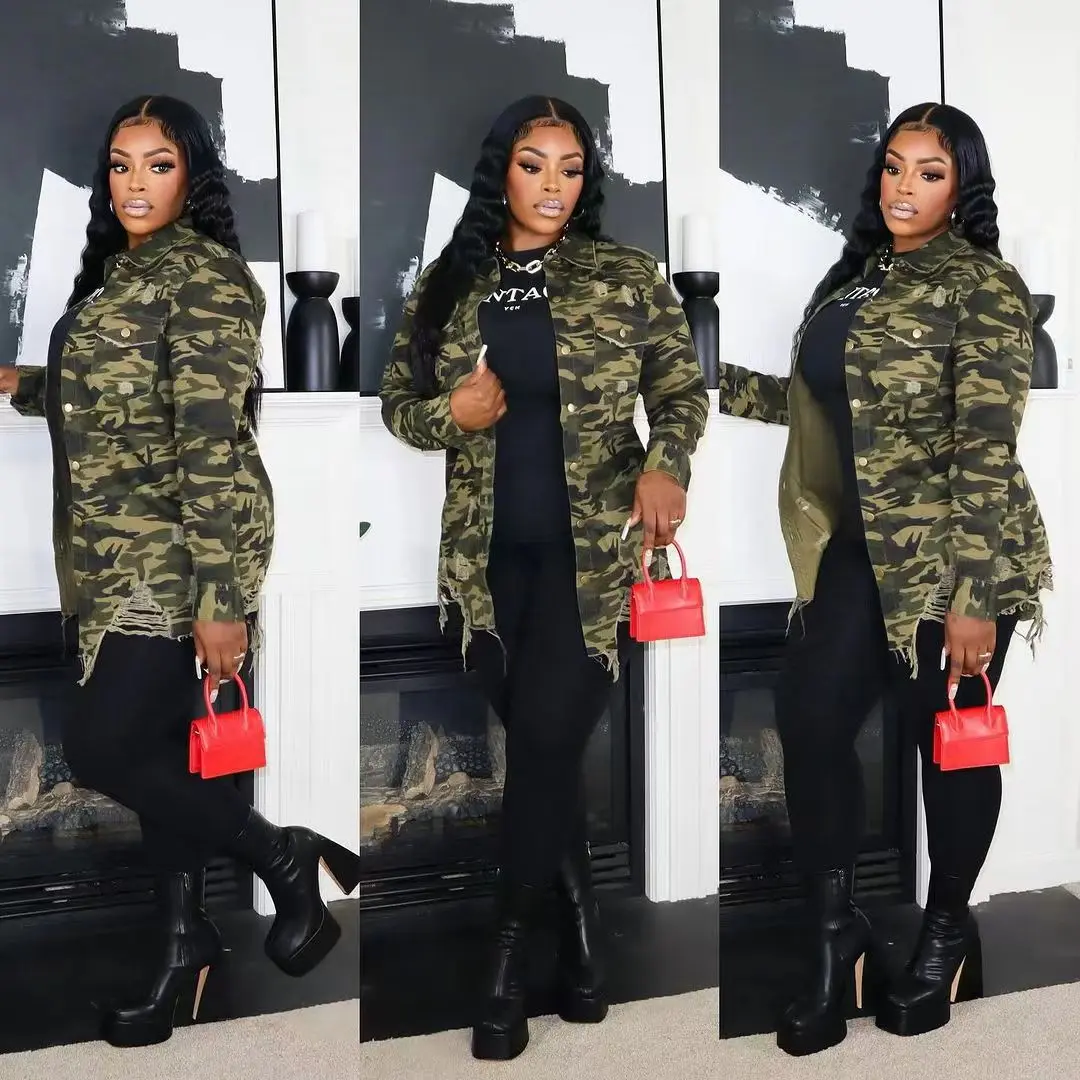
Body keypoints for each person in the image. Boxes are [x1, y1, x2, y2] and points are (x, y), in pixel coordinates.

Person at [0, 95, 360, 1048]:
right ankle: (179, 949)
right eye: (120, 165)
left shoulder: (204, 276)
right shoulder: (122, 276)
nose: (134, 184)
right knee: (162, 751)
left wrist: (220, 599)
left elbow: (208, 445)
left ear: (191, 177)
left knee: (102, 748)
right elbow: (118, 395)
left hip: (172, 558)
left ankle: (283, 856)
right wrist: (23, 385)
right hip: (107, 557)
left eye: (157, 165)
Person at [716, 102, 1052, 1055]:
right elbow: (821, 404)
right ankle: (837, 932)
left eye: (929, 173)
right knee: (811, 719)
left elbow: (987, 447)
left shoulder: (982, 285)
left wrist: (974, 597)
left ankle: (947, 930)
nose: (904, 187)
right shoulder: (856, 281)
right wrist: (707, 381)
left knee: (948, 744)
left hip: (956, 558)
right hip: (861, 551)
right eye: (895, 167)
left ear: (962, 187)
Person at [380, 95, 709, 1061]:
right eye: (534, 165)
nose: (553, 186)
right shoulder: (450, 283)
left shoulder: (625, 276)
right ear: (502, 172)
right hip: (483, 570)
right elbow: (401, 403)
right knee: (544, 754)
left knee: (543, 745)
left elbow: (680, 390)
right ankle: (584, 931)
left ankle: (504, 961)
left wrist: (667, 464)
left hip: (591, 567)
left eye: (571, 168)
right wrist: (451, 415)